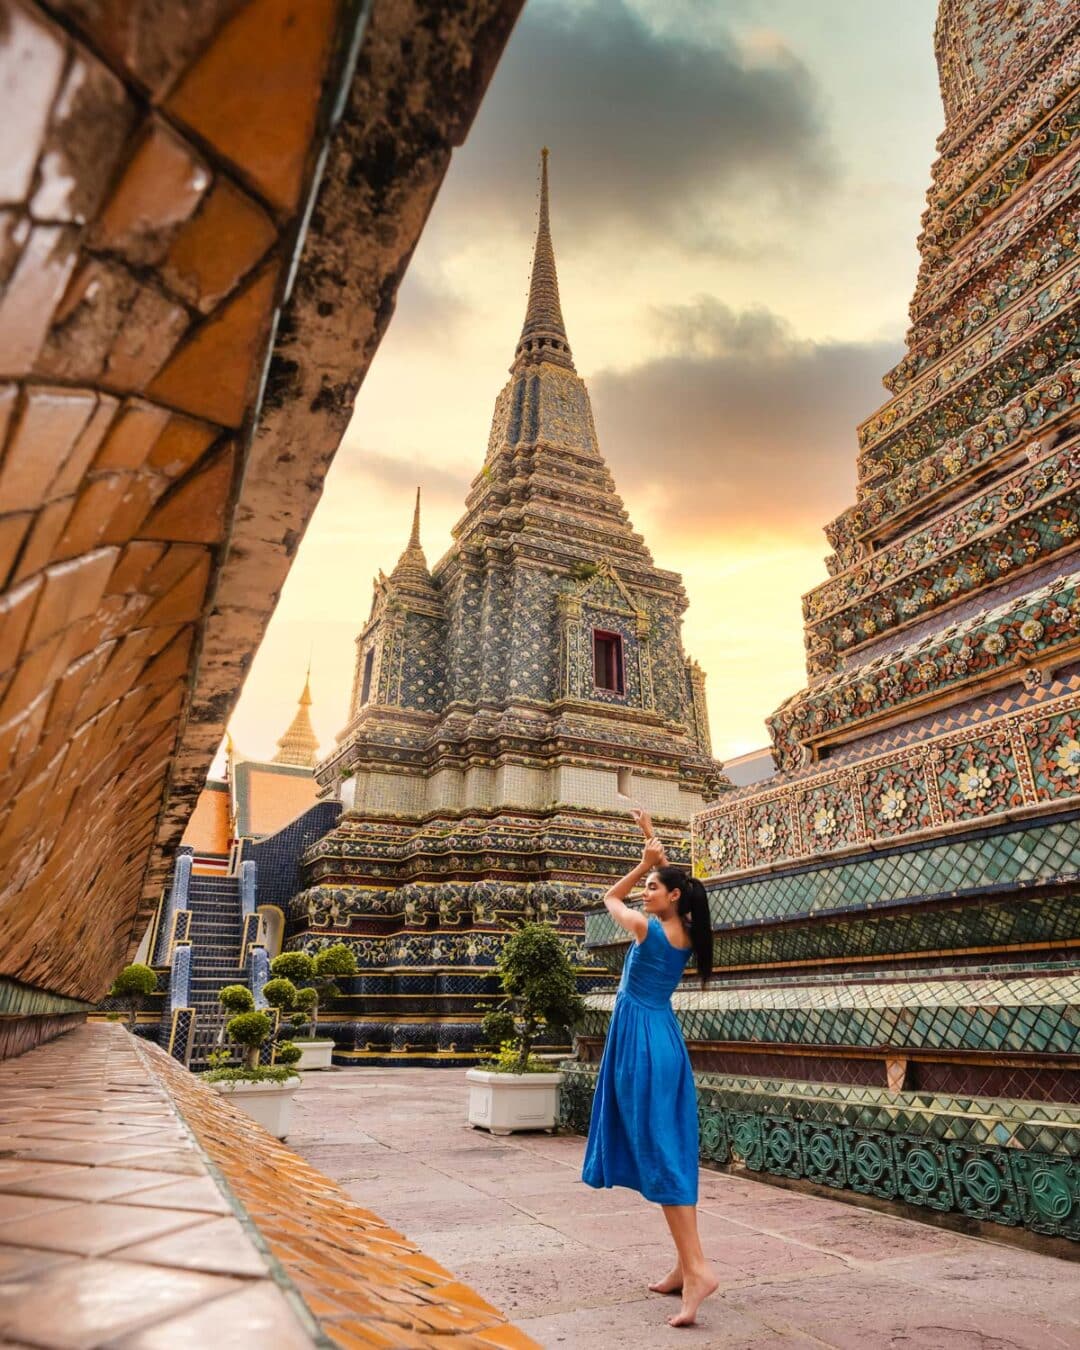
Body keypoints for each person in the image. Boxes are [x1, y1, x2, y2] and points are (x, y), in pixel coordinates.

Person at [581, 806, 719, 1328]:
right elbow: (675, 879)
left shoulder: (645, 929)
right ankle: (686, 1266)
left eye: (655, 887)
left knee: (661, 1155)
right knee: (665, 1149)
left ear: (673, 896)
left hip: (641, 1043)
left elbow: (610, 897)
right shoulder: (683, 931)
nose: (647, 892)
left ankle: (700, 1268)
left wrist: (640, 866)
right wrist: (650, 844)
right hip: (662, 1039)